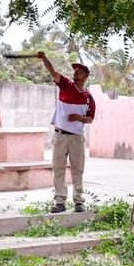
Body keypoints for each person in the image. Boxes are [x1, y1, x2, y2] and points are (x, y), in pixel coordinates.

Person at [35, 51, 96, 213]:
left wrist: (79, 117)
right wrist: (44, 58)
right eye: (75, 70)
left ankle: (78, 201)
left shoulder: (88, 97)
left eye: (79, 71)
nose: (76, 72)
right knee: (58, 168)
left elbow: (90, 119)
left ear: (86, 76)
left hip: (76, 138)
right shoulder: (65, 85)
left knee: (78, 169)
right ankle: (60, 201)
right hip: (60, 135)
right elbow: (52, 71)